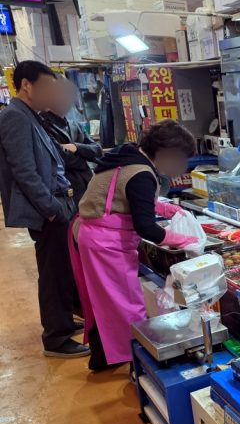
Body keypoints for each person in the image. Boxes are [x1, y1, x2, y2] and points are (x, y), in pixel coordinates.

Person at [70, 120, 198, 371]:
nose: (181, 168)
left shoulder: (130, 157)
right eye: (180, 160)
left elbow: (130, 199)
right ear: (165, 154)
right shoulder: (141, 173)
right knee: (128, 305)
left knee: (103, 303)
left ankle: (102, 359)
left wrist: (167, 208)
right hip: (106, 244)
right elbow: (146, 227)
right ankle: (138, 367)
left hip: (92, 235)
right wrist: (184, 240)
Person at [0, 61, 89, 358]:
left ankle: (63, 322)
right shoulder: (15, 116)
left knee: (62, 269)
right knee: (53, 273)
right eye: (47, 87)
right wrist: (51, 208)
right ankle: (56, 337)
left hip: (58, 202)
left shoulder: (31, 116)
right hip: (48, 209)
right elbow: (24, 171)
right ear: (27, 85)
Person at [40, 76, 102, 204]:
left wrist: (76, 147)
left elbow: (97, 150)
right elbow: (61, 159)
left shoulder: (75, 124)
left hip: (88, 187)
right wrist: (85, 158)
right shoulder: (41, 125)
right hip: (63, 193)